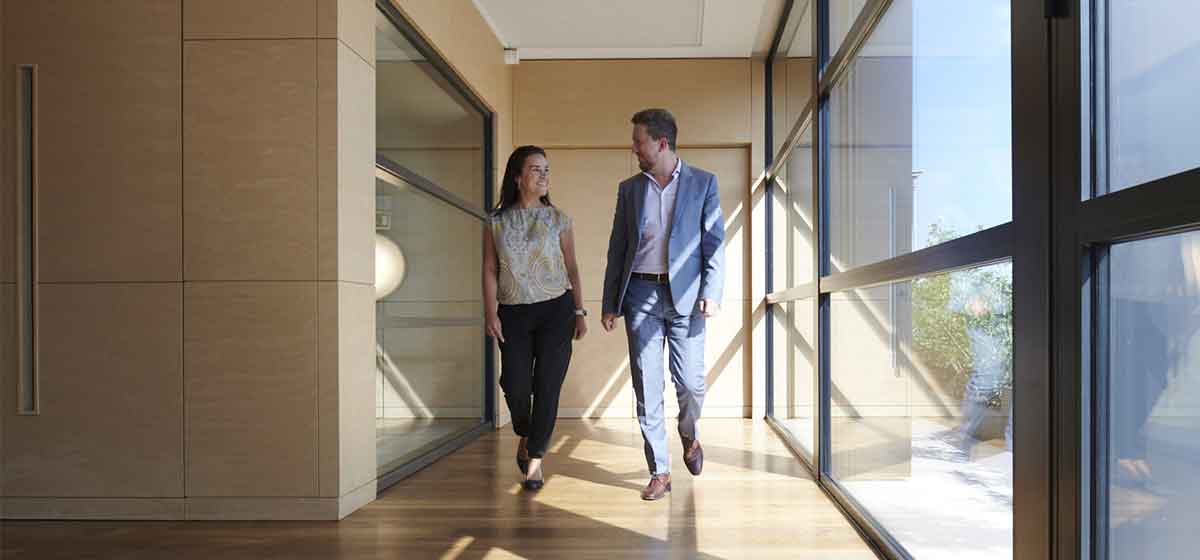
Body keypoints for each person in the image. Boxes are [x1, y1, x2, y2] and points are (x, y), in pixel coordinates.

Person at [601, 108, 726, 501]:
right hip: (640, 293)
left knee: (690, 383)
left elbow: (714, 243)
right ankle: (660, 471)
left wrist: (712, 290)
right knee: (647, 384)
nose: (633, 148)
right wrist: (610, 302)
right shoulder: (629, 190)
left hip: (687, 296)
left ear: (661, 142)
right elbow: (618, 248)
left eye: (638, 141)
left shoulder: (703, 183)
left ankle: (688, 433)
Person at [483, 146, 588, 491]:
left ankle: (536, 459)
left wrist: (579, 311)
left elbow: (572, 267)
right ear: (517, 177)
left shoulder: (559, 219)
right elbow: (489, 269)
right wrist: (490, 312)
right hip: (513, 312)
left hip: (556, 310)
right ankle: (526, 434)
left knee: (547, 386)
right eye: (535, 169)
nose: (544, 176)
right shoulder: (496, 221)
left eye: (546, 170)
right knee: (515, 384)